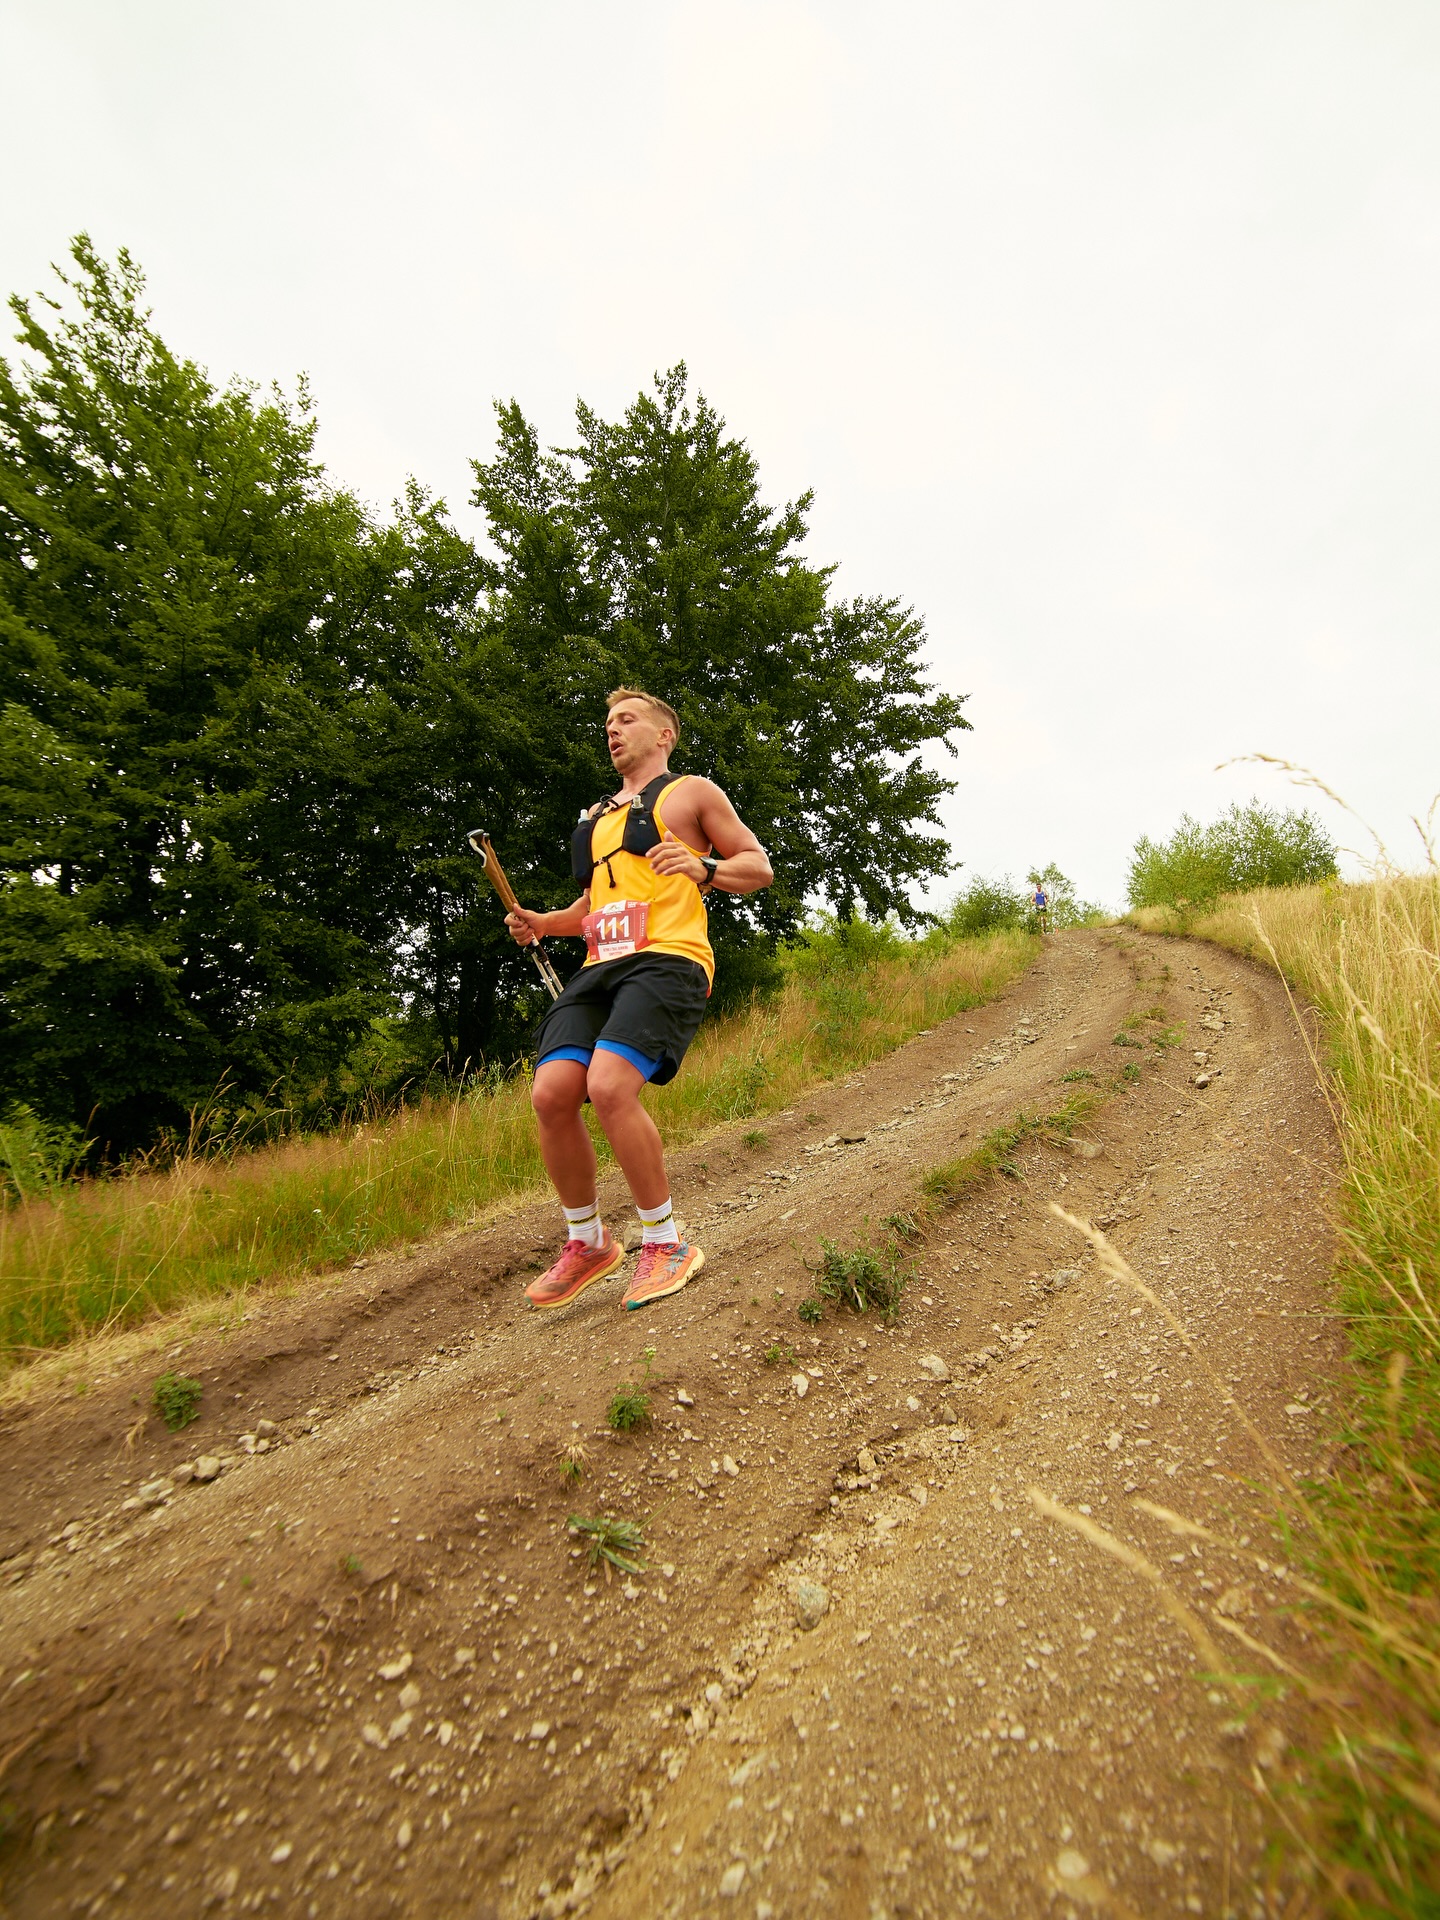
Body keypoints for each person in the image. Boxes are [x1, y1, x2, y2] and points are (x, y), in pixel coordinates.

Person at [504, 688, 773, 1312]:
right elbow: (593, 906)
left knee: (609, 1085)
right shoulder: (596, 817)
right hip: (599, 968)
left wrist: (705, 869)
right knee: (552, 1093)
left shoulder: (692, 792)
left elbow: (757, 867)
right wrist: (543, 923)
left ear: (664, 736)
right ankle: (588, 1242)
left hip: (669, 959)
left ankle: (665, 1242)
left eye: (627, 720)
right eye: (608, 722)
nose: (613, 729)